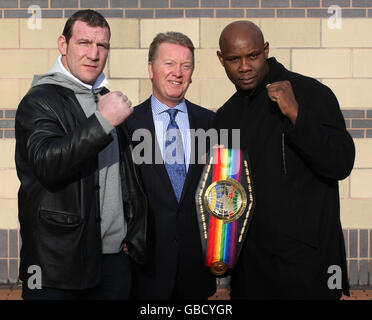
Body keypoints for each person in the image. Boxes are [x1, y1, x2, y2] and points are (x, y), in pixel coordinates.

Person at [214, 21, 355, 300]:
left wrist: (296, 115)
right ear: (221, 59)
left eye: (252, 55)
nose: (244, 67)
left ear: (265, 50)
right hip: (251, 270)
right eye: (234, 59)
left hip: (308, 267)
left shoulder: (310, 93)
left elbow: (341, 162)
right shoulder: (225, 116)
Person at [15, 9, 147, 300]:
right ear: (63, 45)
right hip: (56, 265)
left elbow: (123, 175)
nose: (94, 53)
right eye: (84, 43)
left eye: (102, 45)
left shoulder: (105, 97)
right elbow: (47, 164)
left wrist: (130, 228)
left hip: (113, 260)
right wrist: (102, 122)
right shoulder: (40, 100)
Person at [125, 32, 216, 300]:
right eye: (169, 63)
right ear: (151, 69)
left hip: (196, 268)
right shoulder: (127, 125)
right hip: (145, 266)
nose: (178, 72)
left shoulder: (211, 123)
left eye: (186, 66)